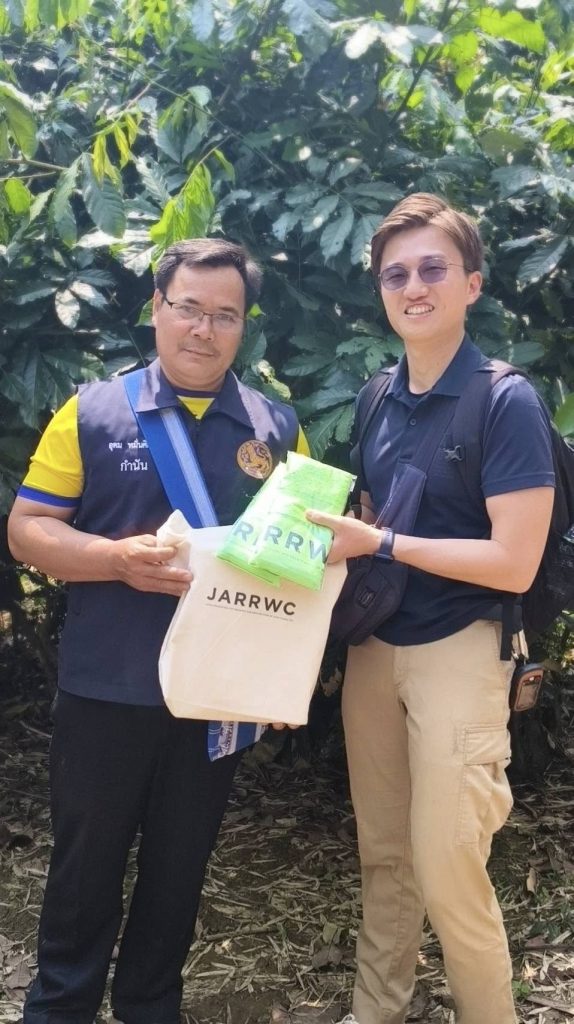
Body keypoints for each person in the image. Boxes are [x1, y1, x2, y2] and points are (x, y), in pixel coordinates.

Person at [8, 238, 309, 1024]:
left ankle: (150, 1006)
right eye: (188, 308)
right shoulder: (93, 413)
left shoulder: (277, 429)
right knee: (84, 868)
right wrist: (112, 560)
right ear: (156, 308)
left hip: (215, 698)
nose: (203, 329)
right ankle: (61, 1007)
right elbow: (28, 529)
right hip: (107, 687)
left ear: (244, 326)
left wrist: (280, 677)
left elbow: (296, 569)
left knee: (180, 868)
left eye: (224, 315)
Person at [306, 194, 555, 1024]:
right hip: (376, 647)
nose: (413, 287)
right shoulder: (377, 397)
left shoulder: (506, 400)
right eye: (396, 275)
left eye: (432, 269)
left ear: (472, 283)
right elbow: (373, 520)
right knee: (384, 855)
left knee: (449, 865)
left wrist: (380, 543)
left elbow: (514, 559)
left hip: (464, 643)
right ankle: (376, 1009)